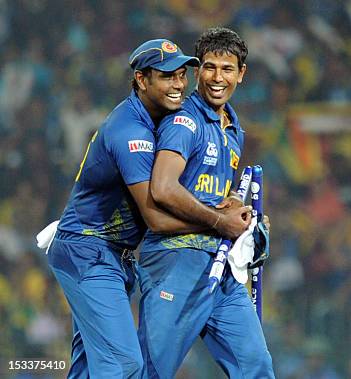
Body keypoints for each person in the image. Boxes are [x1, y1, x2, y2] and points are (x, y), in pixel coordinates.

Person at [46, 39, 251, 378]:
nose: (179, 85)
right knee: (125, 364)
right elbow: (155, 217)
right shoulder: (131, 133)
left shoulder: (160, 120)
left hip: (109, 254)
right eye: (166, 76)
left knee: (88, 368)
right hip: (89, 252)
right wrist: (219, 222)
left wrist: (223, 206)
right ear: (142, 80)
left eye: (182, 75)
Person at [137, 27, 275, 378]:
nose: (217, 78)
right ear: (197, 70)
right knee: (152, 370)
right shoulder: (186, 120)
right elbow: (164, 189)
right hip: (176, 259)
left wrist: (242, 217)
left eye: (227, 69)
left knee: (256, 365)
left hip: (221, 266)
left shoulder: (233, 128)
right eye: (209, 67)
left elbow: (214, 195)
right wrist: (218, 221)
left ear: (241, 74)